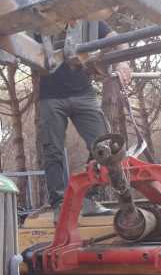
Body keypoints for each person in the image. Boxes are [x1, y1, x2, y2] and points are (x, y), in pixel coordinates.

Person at [39, 21, 132, 217]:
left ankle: (91, 200)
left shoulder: (89, 20)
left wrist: (123, 62)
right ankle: (59, 206)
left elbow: (120, 41)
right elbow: (15, 40)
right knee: (52, 151)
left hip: (84, 95)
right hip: (50, 97)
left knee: (103, 146)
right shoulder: (41, 21)